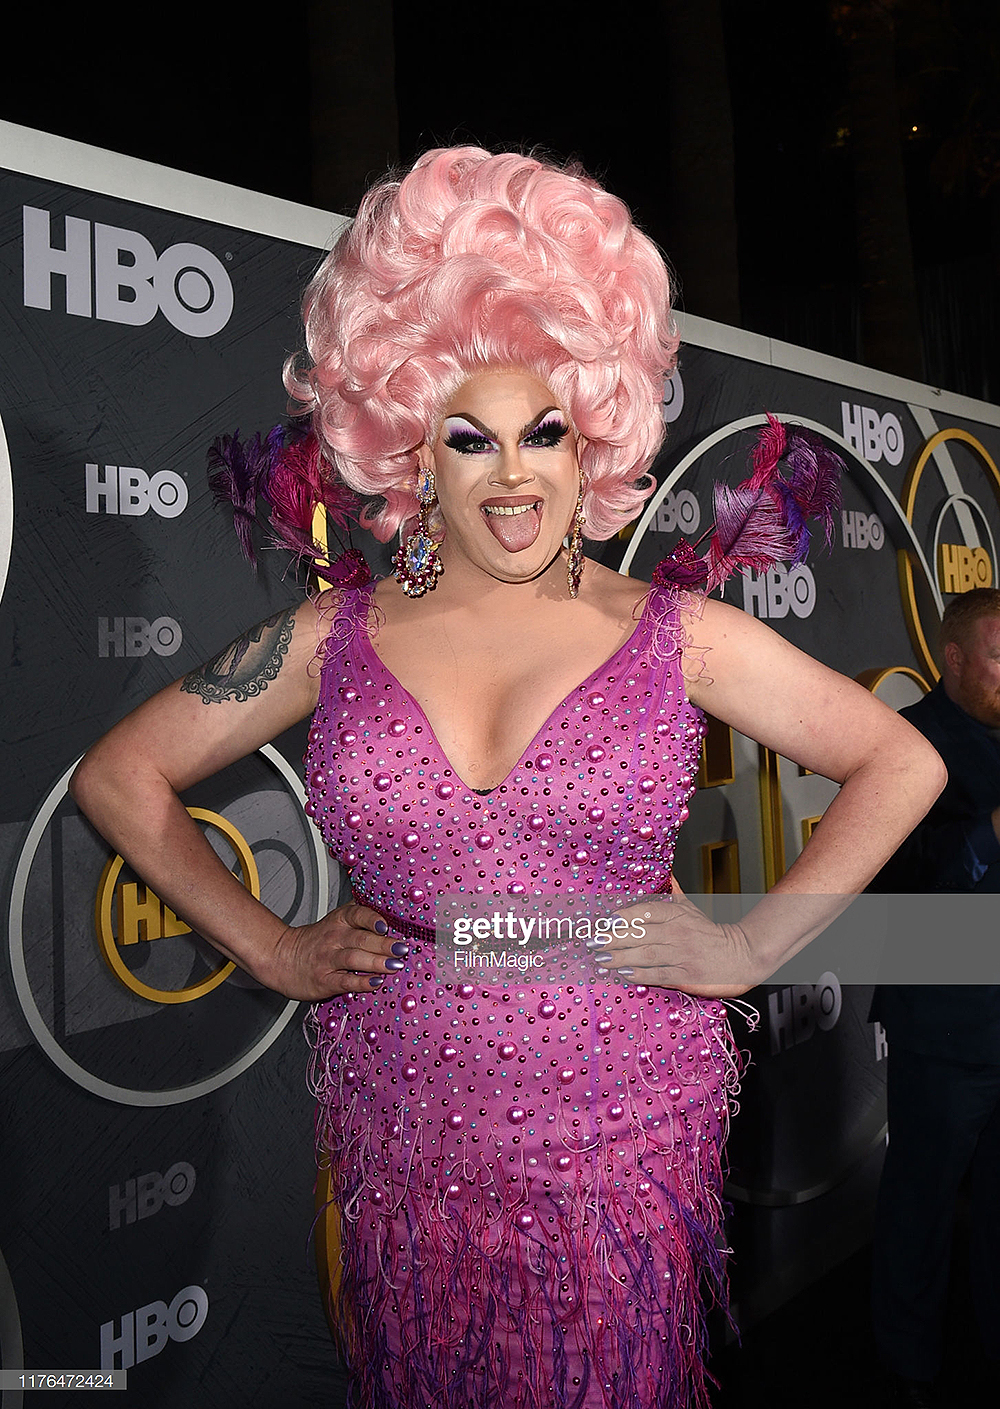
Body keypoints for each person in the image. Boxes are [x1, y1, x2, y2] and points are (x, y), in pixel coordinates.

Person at [70, 147, 944, 1409]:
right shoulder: (334, 636)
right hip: (403, 1113)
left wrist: (753, 944)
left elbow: (896, 758)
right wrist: (272, 947)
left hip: (617, 1120)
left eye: (544, 431)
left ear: (594, 436)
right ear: (409, 449)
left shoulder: (671, 631)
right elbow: (120, 775)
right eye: (468, 439)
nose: (515, 473)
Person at [870, 588, 1000, 1408]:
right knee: (920, 1207)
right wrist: (990, 832)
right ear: (952, 659)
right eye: (998, 656)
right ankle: (906, 1370)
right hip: (944, 1034)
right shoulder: (907, 743)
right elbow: (900, 888)